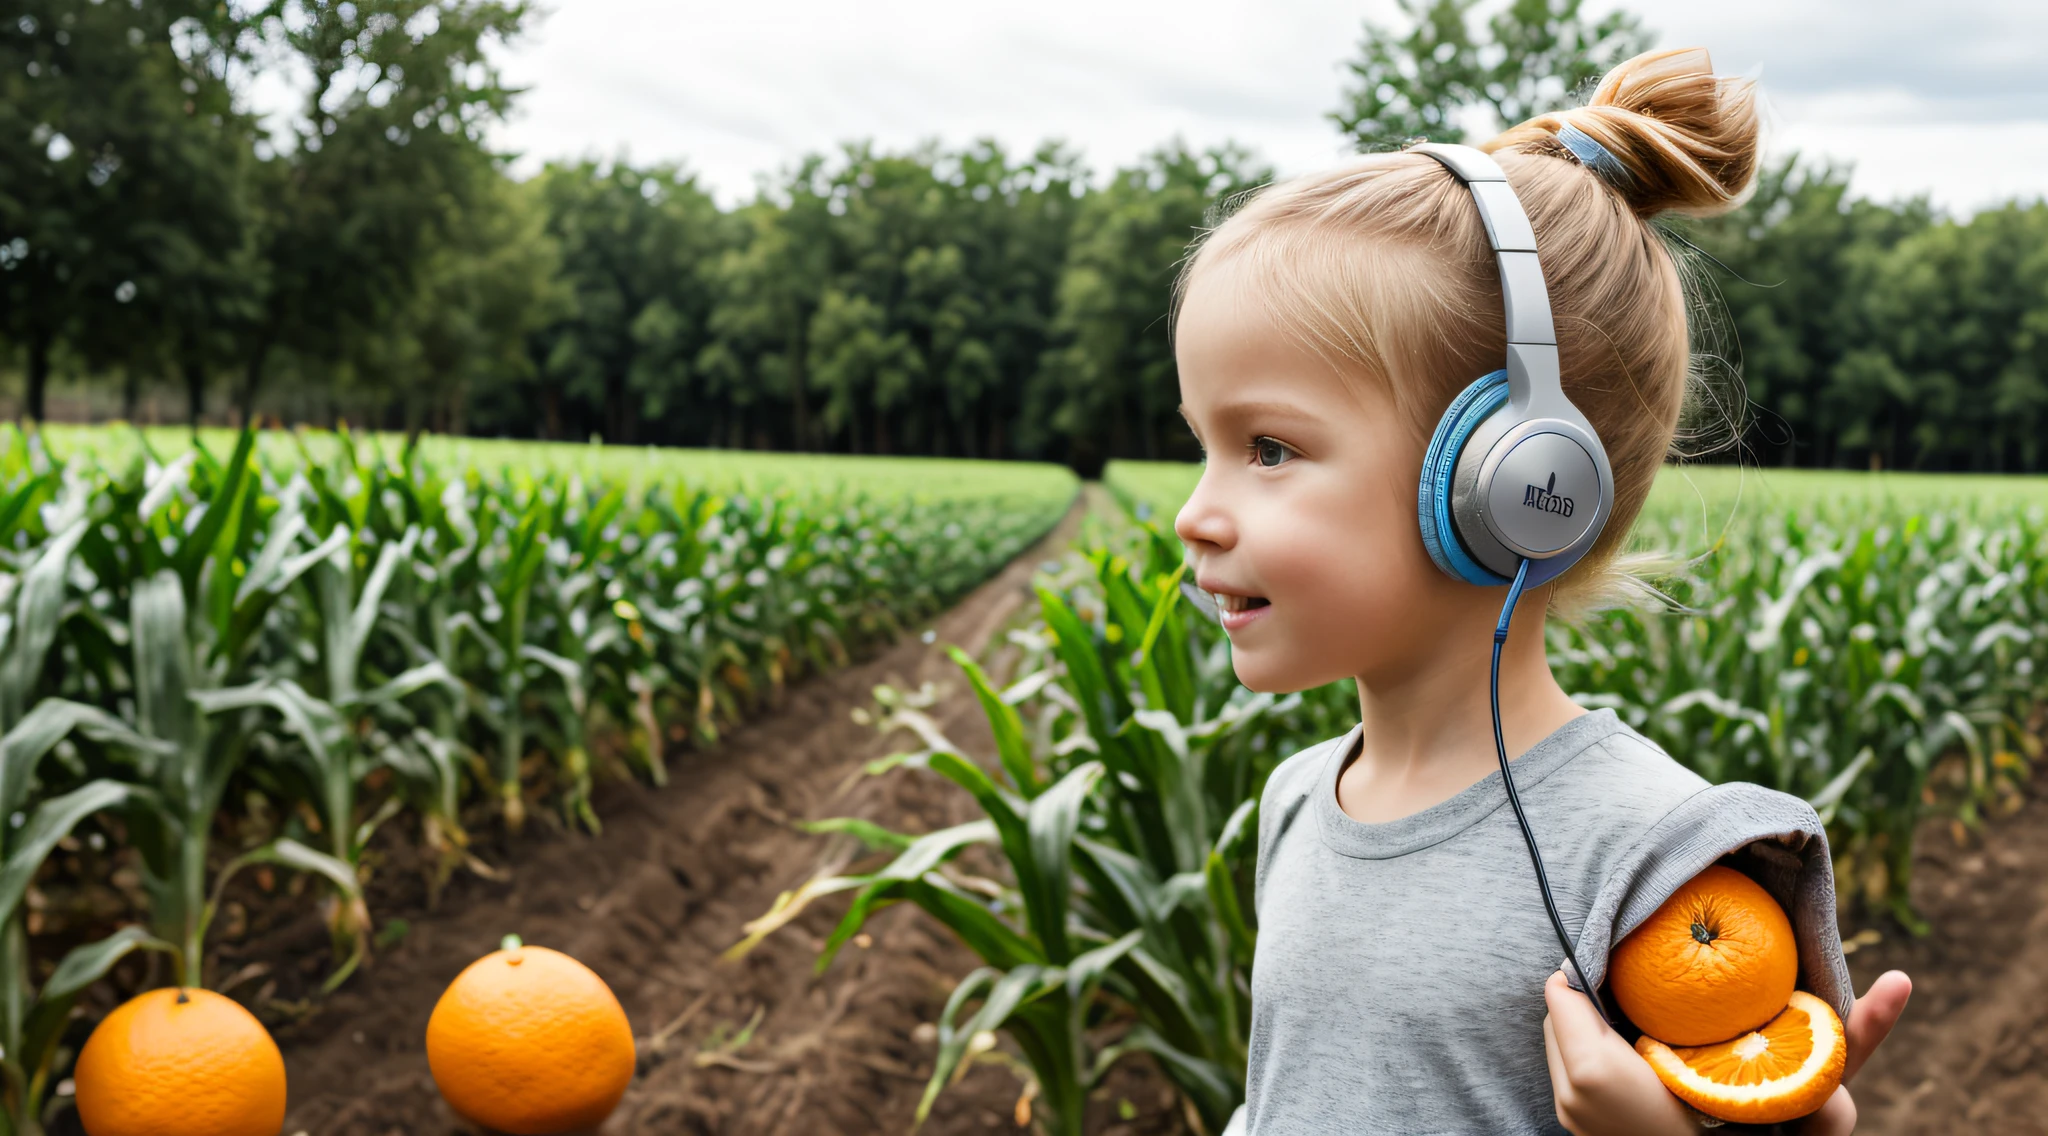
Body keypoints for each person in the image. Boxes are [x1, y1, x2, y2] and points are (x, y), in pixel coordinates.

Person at [1170, 46, 1913, 1135]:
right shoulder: (1296, 797)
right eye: (1202, 445)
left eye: (1268, 448)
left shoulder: (1655, 857)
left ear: (1517, 481)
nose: (1197, 510)